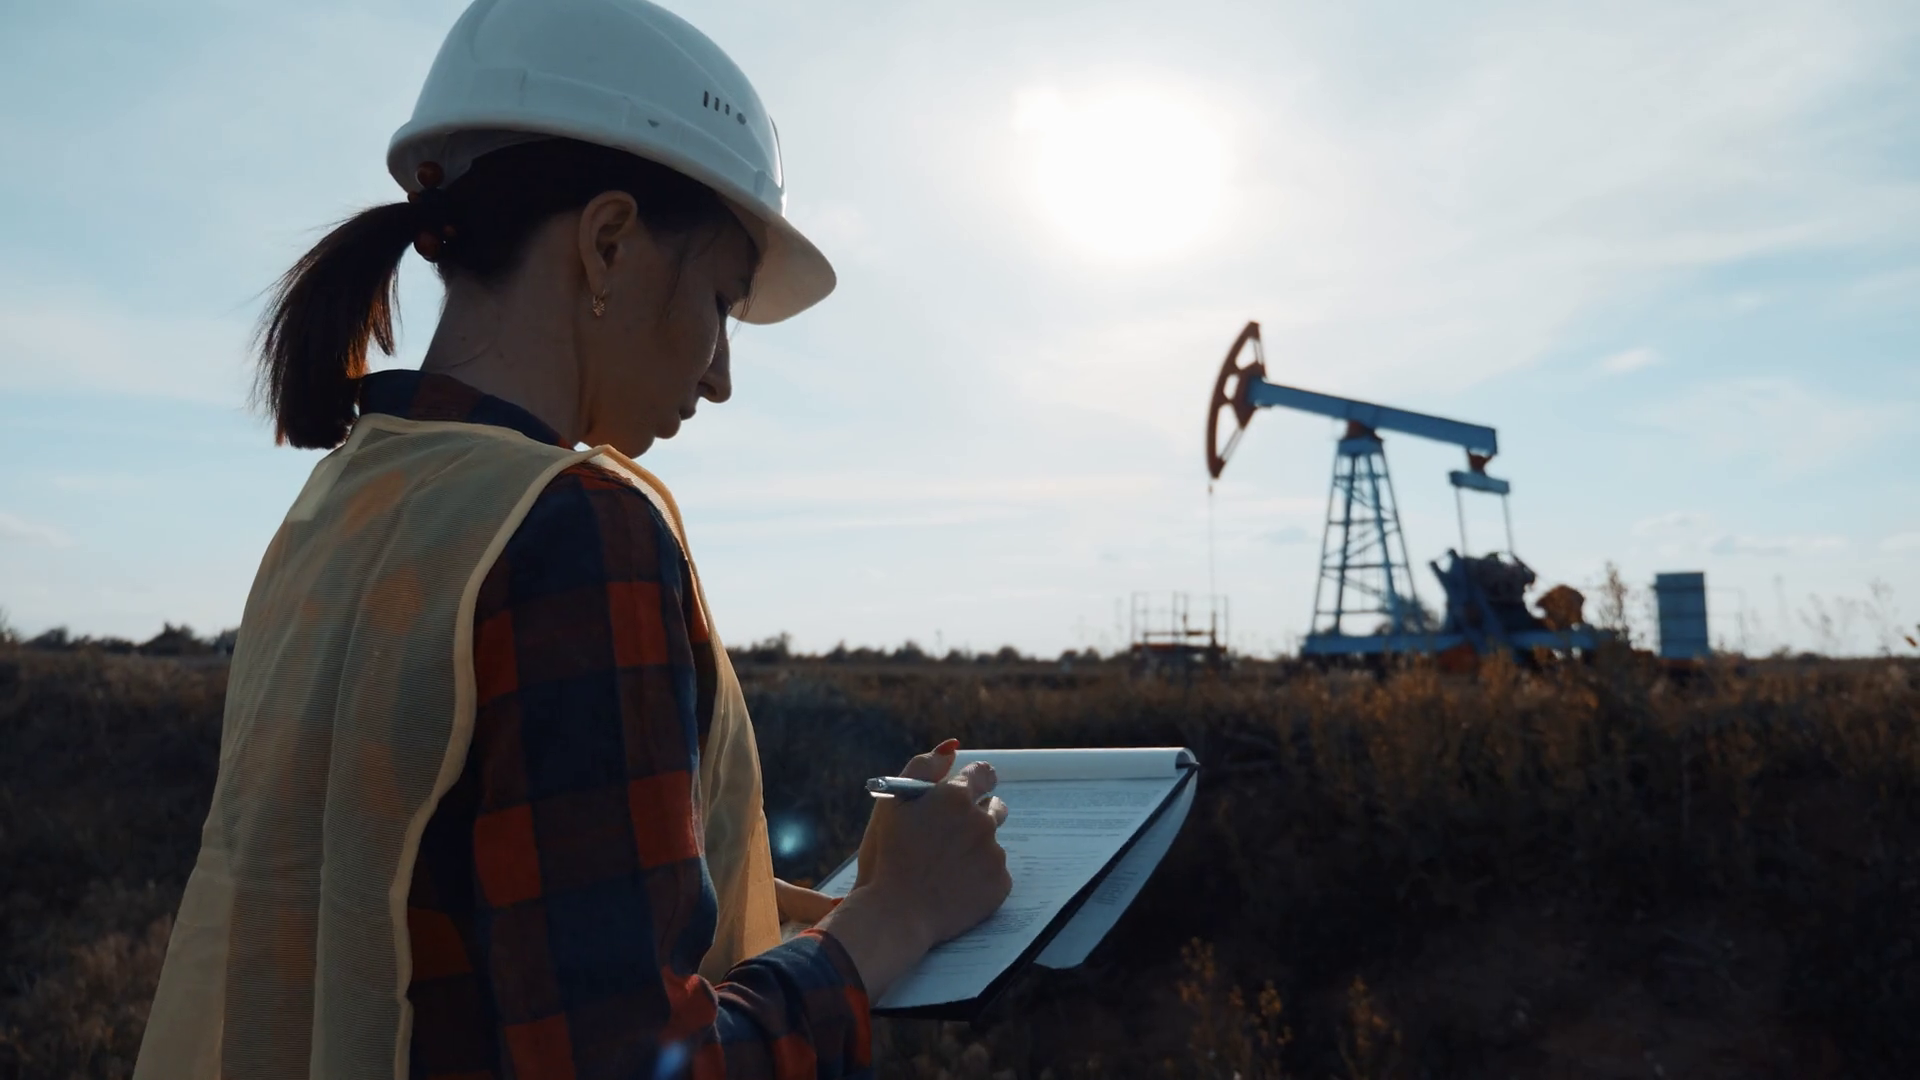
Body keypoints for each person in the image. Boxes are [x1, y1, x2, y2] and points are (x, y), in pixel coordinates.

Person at [132, 1, 1011, 1077]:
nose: (721, 377)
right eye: (721, 301)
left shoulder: (350, 503)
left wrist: (787, 902)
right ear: (607, 244)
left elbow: (425, 898)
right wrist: (895, 921)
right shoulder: (575, 532)